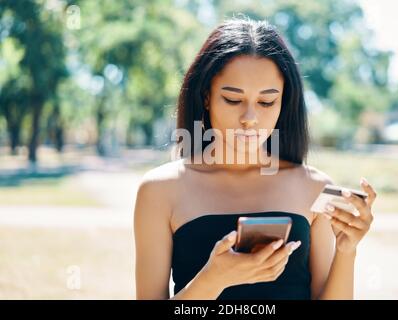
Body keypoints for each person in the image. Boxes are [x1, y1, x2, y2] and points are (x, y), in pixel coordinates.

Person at [134, 17, 377, 300]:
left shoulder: (316, 189)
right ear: (206, 97)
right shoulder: (159, 190)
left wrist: (347, 250)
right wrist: (213, 281)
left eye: (266, 102)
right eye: (233, 100)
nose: (250, 118)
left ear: (284, 102)